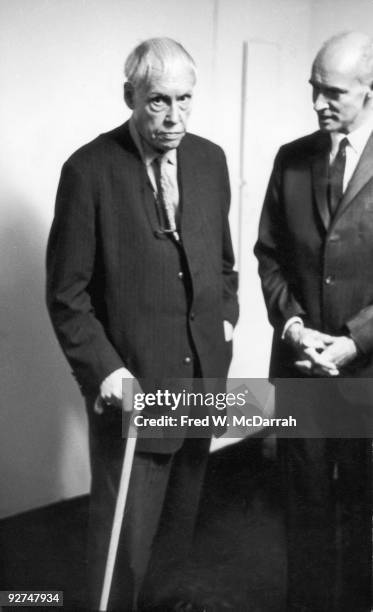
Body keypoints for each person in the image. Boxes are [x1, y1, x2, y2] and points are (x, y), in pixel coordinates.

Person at [46, 38, 238, 612]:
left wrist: (224, 319)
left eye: (184, 99)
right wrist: (105, 371)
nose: (174, 116)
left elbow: (222, 263)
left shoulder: (210, 159)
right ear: (129, 95)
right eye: (158, 101)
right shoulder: (87, 170)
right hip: (134, 390)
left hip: (203, 382)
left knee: (178, 531)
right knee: (123, 547)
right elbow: (67, 294)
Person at [254, 31, 373, 612]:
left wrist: (355, 342)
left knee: (362, 512)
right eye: (313, 89)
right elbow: (269, 256)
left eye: (333, 92)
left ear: (369, 91)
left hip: (365, 378)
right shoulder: (291, 158)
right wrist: (295, 326)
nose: (319, 103)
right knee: (303, 510)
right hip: (301, 371)